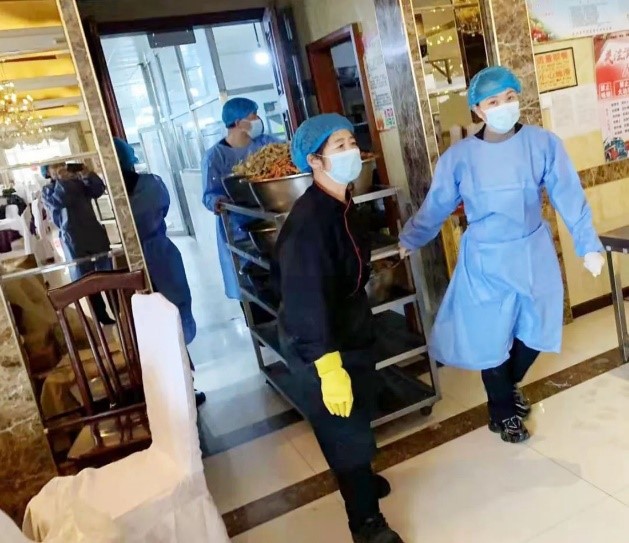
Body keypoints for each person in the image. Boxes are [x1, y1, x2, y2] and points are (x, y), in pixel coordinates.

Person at [399, 66, 605, 443]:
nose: (504, 106)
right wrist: (412, 237)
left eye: (510, 97)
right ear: (478, 109)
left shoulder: (542, 144)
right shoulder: (459, 158)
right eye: (493, 101)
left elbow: (568, 194)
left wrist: (587, 244)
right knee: (491, 339)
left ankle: (506, 388)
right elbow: (437, 204)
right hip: (485, 259)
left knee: (538, 330)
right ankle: (503, 413)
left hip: (532, 250)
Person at [273, 113, 403, 543]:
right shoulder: (308, 225)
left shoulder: (343, 203)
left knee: (357, 414)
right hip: (318, 341)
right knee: (342, 429)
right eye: (339, 146)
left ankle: (360, 477)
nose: (352, 153)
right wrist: (328, 368)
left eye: (351, 142)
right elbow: (304, 301)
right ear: (314, 160)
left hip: (349, 327)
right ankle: (366, 524)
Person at [113, 138, 205, 407]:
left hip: (153, 260)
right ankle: (175, 389)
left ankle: (180, 387)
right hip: (155, 258)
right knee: (157, 324)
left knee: (168, 320)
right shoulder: (148, 187)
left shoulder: (141, 188)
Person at [201, 97, 277, 319]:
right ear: (237, 122)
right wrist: (218, 202)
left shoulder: (266, 144)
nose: (258, 120)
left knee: (277, 273)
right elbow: (209, 195)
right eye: (253, 116)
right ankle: (259, 321)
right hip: (236, 229)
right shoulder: (215, 156)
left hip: (269, 220)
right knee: (249, 279)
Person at [41, 162, 114, 325]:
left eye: (62, 164)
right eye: (55, 166)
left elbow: (98, 190)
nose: (60, 168)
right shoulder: (48, 191)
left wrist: (88, 175)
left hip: (94, 233)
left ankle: (119, 310)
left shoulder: (78, 181)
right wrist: (62, 181)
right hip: (73, 238)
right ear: (47, 172)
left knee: (109, 275)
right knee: (86, 282)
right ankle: (101, 317)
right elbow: (60, 201)